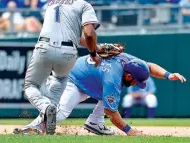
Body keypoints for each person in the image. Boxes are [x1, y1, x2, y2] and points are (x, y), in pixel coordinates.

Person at [16, 53, 186, 135]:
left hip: (92, 78)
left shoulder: (133, 63)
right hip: (75, 79)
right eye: (135, 81)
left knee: (111, 98)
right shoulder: (113, 78)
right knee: (60, 113)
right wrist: (129, 131)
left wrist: (168, 75)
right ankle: (30, 128)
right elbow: (111, 112)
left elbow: (148, 66)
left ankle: (95, 123)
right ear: (128, 75)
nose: (136, 84)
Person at [23, 0, 100, 135]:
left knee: (31, 86)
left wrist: (94, 46)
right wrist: (94, 52)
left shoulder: (50, 4)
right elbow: (89, 34)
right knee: (59, 80)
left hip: (44, 47)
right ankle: (42, 122)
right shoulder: (84, 5)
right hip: (68, 52)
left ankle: (44, 111)